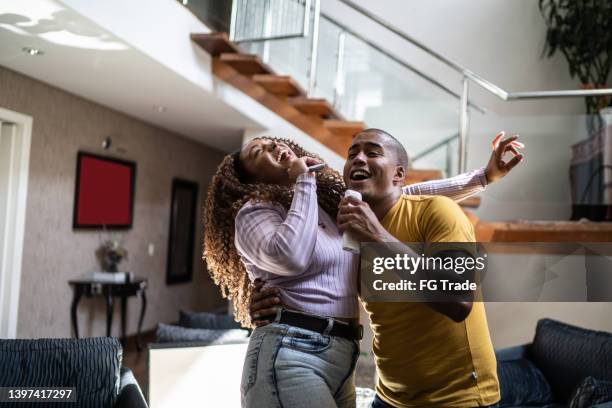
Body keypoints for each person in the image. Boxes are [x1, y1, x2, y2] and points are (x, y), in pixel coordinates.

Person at [204, 132, 522, 407]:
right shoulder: (255, 211)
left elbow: (406, 194)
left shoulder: (329, 206)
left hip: (342, 355)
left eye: (274, 142)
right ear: (247, 178)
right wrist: (303, 180)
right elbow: (290, 257)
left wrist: (484, 176)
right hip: (292, 352)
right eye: (260, 151)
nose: (273, 147)